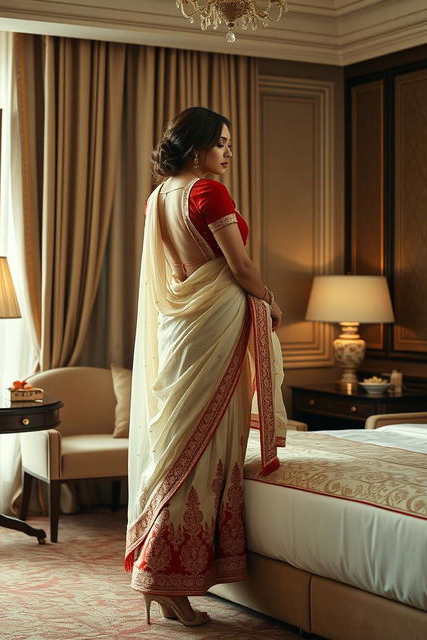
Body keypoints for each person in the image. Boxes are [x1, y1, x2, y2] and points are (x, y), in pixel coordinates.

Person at [125, 106, 287, 627]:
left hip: (181, 329)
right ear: (197, 148)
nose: (229, 152)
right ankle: (165, 576)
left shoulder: (157, 198)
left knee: (181, 448)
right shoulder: (206, 191)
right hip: (212, 324)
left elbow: (178, 270)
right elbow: (239, 266)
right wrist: (270, 300)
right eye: (222, 143)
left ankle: (170, 580)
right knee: (201, 452)